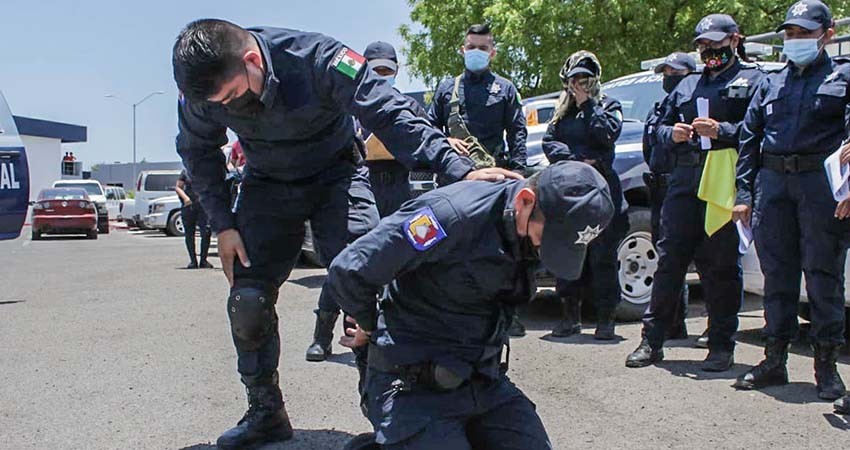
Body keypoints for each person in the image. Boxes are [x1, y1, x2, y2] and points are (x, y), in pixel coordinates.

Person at [172, 19, 519, 450]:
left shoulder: (317, 58)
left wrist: (459, 170)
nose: (230, 107)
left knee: (370, 288)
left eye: (232, 95)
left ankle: (389, 415)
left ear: (252, 61)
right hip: (267, 185)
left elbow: (387, 110)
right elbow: (197, 150)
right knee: (248, 300)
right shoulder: (203, 91)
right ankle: (266, 413)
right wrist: (223, 224)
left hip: (337, 174)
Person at [326, 160, 615, 450]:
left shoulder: (526, 225)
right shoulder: (450, 216)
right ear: (525, 202)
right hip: (412, 388)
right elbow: (350, 269)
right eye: (547, 239)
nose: (543, 251)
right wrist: (368, 324)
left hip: (483, 382)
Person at [626, 14, 765, 371]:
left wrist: (724, 130)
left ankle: (721, 345)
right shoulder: (687, 85)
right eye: (703, 46)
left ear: (735, 40)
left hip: (723, 179)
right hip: (684, 178)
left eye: (716, 44)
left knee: (720, 266)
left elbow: (760, 130)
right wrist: (670, 133)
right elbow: (656, 126)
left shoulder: (753, 80)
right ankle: (652, 341)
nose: (709, 52)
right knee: (670, 261)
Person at [732, 0, 849, 402]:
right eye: (790, 33)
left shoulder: (843, 76)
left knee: (823, 276)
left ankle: (826, 366)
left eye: (804, 33)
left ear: (827, 34)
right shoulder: (771, 82)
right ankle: (773, 359)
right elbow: (749, 141)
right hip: (773, 184)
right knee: (777, 276)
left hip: (820, 187)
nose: (795, 40)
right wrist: (743, 195)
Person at [542, 51, 627, 340]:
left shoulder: (607, 106)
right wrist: (576, 159)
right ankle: (570, 317)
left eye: (585, 79)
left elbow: (606, 136)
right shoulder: (561, 112)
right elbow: (549, 142)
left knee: (603, 256)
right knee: (570, 251)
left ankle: (606, 319)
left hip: (601, 190)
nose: (579, 84)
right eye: (575, 79)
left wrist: (588, 105)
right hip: (570, 192)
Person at [643, 52, 699, 344]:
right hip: (660, 187)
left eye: (674, 73)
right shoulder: (658, 110)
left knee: (705, 260)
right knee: (667, 258)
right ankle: (674, 323)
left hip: (687, 186)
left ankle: (703, 324)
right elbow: (649, 146)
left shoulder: (697, 107)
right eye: (665, 72)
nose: (669, 78)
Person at [428, 24, 528, 174]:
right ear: (463, 51)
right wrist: (446, 141)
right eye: (471, 47)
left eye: (482, 48)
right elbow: (430, 127)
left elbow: (517, 132)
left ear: (492, 53)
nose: (476, 52)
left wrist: (519, 172)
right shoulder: (446, 88)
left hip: (494, 171)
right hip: (455, 174)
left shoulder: (506, 88)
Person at [357, 41, 428, 218]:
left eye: (386, 71)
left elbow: (428, 143)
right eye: (375, 71)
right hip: (365, 187)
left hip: (402, 187)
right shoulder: (351, 107)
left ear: (396, 70)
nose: (381, 76)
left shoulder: (411, 106)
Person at [175, 169, 213, 269]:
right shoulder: (185, 172)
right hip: (189, 205)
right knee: (189, 233)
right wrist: (185, 198)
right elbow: (178, 187)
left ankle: (203, 260)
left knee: (206, 232)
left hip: (203, 206)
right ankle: (193, 261)